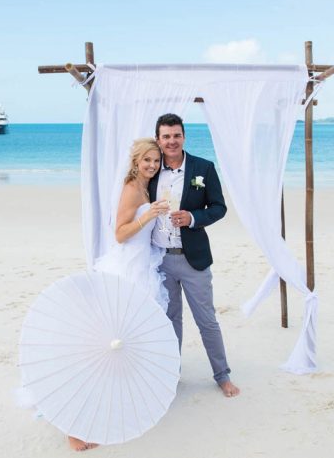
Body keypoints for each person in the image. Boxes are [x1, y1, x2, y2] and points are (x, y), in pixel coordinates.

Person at [69, 138, 169, 452]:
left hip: (142, 268)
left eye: (156, 161)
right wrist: (148, 215)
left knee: (124, 343)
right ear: (136, 162)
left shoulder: (145, 187)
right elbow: (120, 234)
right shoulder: (131, 188)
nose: (152, 166)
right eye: (147, 161)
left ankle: (117, 403)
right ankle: (76, 425)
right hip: (127, 271)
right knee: (107, 345)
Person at [149, 113, 240, 398]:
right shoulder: (151, 170)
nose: (171, 141)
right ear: (158, 140)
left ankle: (222, 375)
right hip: (159, 259)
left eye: (176, 135)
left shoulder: (203, 167)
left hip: (194, 259)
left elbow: (219, 207)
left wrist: (192, 217)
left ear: (184, 136)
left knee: (206, 320)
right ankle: (171, 374)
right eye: (166, 136)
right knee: (169, 320)